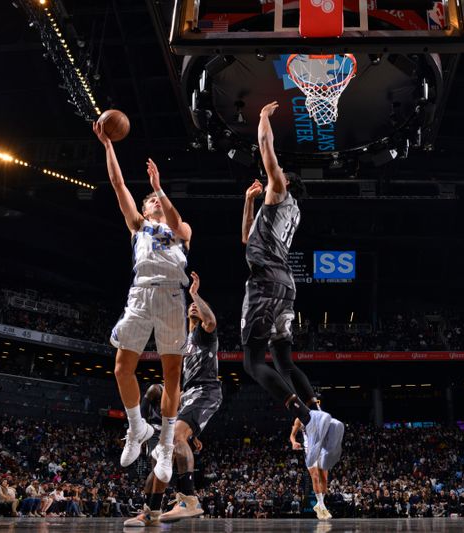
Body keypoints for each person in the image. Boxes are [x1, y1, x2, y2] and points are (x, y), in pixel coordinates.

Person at [240, 101, 341, 470]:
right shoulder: (288, 211)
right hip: (285, 287)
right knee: (284, 359)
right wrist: (248, 202)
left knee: (253, 362)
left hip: (265, 283)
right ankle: (317, 411)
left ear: (283, 183)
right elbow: (245, 238)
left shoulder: (280, 192)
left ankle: (308, 419)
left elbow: (268, 152)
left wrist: (263, 118)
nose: (272, 176)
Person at [93, 121, 191, 485]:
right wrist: (108, 146)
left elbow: (179, 222)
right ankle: (137, 428)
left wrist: (159, 188)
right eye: (150, 201)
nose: (152, 203)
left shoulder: (180, 230)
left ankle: (164, 444)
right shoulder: (138, 225)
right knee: (121, 368)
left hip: (171, 296)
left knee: (171, 376)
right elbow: (118, 185)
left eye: (155, 201)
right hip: (141, 292)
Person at [125, 271, 223, 526]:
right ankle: (151, 511)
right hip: (190, 397)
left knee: (176, 439)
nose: (192, 309)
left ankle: (189, 500)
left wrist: (194, 294)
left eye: (195, 308)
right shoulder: (185, 343)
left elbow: (211, 320)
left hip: (206, 390)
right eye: (190, 306)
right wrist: (194, 433)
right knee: (160, 456)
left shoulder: (204, 334)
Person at [290, 411, 345, 520]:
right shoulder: (299, 419)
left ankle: (319, 504)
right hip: (309, 450)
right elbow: (292, 435)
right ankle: (322, 506)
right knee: (315, 477)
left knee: (324, 479)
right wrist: (294, 443)